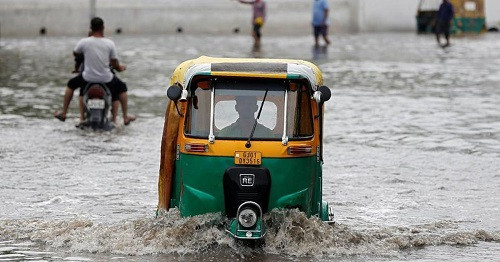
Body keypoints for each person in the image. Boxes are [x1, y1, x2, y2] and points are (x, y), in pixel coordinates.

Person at [54, 17, 136, 125]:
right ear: (103, 28)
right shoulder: (109, 43)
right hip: (106, 78)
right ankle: (125, 117)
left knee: (70, 85)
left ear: (91, 28)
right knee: (122, 88)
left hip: (87, 78)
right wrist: (119, 68)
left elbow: (75, 53)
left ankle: (64, 113)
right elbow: (114, 62)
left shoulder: (84, 42)